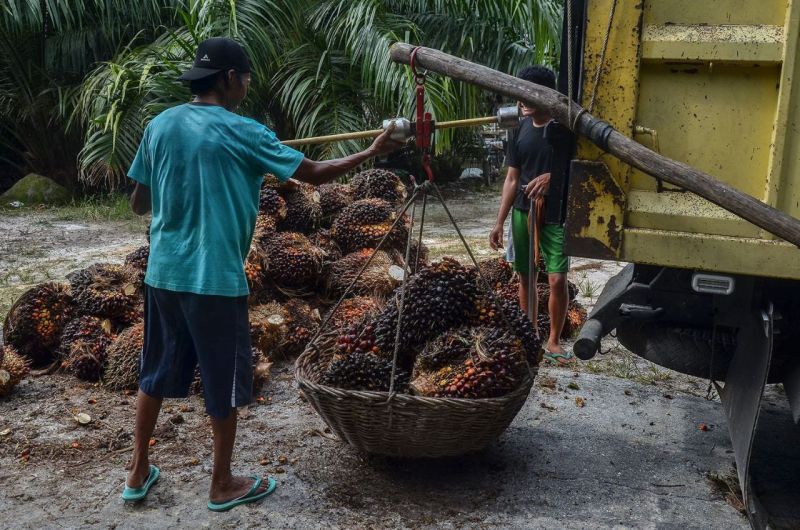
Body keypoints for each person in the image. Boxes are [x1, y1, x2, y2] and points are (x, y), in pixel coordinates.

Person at [122, 37, 402, 511]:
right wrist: (371, 150)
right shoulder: (246, 133)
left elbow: (138, 201)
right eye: (246, 77)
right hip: (213, 277)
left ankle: (136, 473)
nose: (248, 85)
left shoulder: (159, 125)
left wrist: (181, 180)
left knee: (153, 373)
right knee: (223, 381)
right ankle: (222, 483)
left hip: (162, 274)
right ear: (229, 78)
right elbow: (313, 172)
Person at [489, 65, 572, 365]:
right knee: (526, 276)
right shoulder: (519, 128)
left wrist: (553, 178)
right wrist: (499, 222)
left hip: (556, 216)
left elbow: (578, 169)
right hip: (523, 214)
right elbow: (512, 178)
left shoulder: (566, 128)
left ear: (545, 95)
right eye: (519, 93)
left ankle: (553, 340)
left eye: (527, 93)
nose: (522, 100)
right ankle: (531, 334)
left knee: (557, 279)